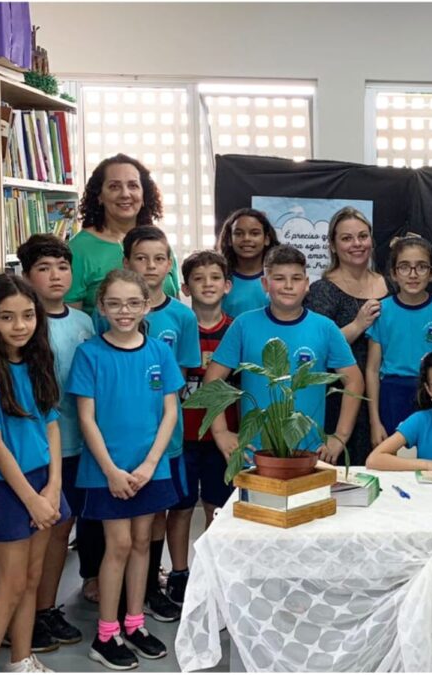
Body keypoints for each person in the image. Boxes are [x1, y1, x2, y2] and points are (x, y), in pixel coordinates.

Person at [68, 269, 182, 669]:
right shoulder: (90, 354)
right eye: (114, 303)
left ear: (146, 304)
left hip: (151, 468)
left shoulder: (159, 353)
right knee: (116, 546)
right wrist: (112, 471)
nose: (124, 311)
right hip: (106, 471)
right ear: (101, 307)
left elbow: (170, 411)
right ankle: (106, 633)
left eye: (133, 303)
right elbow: (86, 418)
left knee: (142, 544)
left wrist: (152, 463)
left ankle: (135, 625)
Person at [0, 275, 70, 673]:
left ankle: (21, 660)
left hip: (43, 479)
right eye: (7, 317)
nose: (20, 326)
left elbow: (52, 425)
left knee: (32, 579)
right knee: (9, 588)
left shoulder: (37, 358)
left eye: (28, 315)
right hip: (8, 487)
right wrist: (31, 498)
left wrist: (53, 486)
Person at [205, 245, 365, 464]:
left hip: (310, 455)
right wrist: (221, 432)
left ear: (307, 284)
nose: (288, 286)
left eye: (296, 278)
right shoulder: (243, 324)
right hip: (254, 455)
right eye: (279, 278)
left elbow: (354, 381)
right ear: (265, 284)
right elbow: (213, 380)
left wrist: (340, 436)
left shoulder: (326, 328)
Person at [119, 225, 200, 623]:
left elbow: (177, 379)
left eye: (158, 259)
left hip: (165, 438)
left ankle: (151, 587)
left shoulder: (182, 317)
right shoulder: (114, 312)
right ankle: (127, 591)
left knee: (156, 515)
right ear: (126, 262)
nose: (150, 266)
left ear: (168, 265)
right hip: (122, 439)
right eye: (140, 258)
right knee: (128, 522)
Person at [17, 234, 94, 649]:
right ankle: (26, 616)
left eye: (62, 267)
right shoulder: (24, 322)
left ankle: (44, 609)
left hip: (79, 444)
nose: (55, 276)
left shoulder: (83, 323)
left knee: (62, 532)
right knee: (37, 535)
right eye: (44, 269)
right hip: (38, 448)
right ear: (27, 276)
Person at [168, 249, 237, 605]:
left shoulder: (236, 329)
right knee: (180, 508)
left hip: (221, 438)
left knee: (217, 506)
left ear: (227, 285)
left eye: (214, 278)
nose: (207, 285)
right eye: (198, 279)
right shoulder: (179, 327)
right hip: (181, 436)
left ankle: (213, 570)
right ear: (185, 286)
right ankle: (180, 572)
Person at [305, 207, 392, 466]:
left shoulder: (392, 285)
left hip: (383, 397)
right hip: (340, 399)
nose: (357, 244)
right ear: (332, 245)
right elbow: (315, 350)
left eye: (362, 236)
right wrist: (358, 325)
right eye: (347, 238)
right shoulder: (322, 291)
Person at [365, 235, 432, 447]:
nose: (413, 274)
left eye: (421, 267)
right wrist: (375, 421)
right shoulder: (382, 310)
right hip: (392, 395)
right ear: (393, 273)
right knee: (394, 465)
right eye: (404, 267)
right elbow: (372, 370)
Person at [65, 154, 179, 315]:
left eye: (133, 186)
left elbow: (176, 306)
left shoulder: (158, 242)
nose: (125, 194)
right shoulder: (78, 249)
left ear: (144, 195)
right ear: (99, 196)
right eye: (114, 186)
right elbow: (72, 323)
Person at [217, 207, 277, 318]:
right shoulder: (219, 278)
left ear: (266, 239)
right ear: (230, 239)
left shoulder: (279, 278)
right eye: (238, 234)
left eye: (254, 233)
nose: (246, 238)